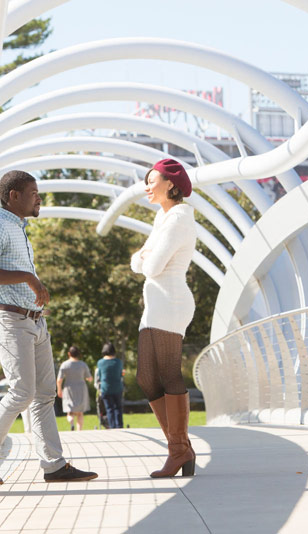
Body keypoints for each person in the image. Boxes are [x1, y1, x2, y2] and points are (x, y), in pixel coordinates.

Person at [0, 170, 97, 484]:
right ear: (13, 196)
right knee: (22, 391)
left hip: (35, 322)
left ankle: (53, 465)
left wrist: (35, 297)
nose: (39, 198)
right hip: (10, 321)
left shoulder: (20, 230)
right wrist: (28, 279)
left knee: (43, 396)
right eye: (33, 192)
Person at [130, 158, 197, 478]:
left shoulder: (179, 218)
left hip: (170, 301)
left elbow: (152, 266)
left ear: (171, 184)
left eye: (151, 180)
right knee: (146, 377)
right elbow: (136, 260)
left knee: (169, 374)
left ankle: (178, 449)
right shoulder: (163, 216)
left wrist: (144, 259)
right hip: (155, 304)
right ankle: (180, 448)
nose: (146, 186)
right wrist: (144, 258)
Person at [56, 345, 92, 431]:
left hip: (69, 389)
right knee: (80, 413)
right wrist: (87, 378)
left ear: (69, 354)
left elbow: (59, 380)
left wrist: (59, 390)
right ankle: (79, 430)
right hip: (81, 389)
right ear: (78, 354)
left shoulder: (64, 365)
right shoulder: (83, 365)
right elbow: (89, 378)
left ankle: (71, 422)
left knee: (70, 411)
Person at [96, 342, 124, 429]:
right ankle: (119, 426)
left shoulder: (100, 363)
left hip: (105, 388)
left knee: (109, 409)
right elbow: (120, 375)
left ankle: (112, 427)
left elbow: (99, 376)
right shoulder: (118, 362)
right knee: (118, 408)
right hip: (117, 388)